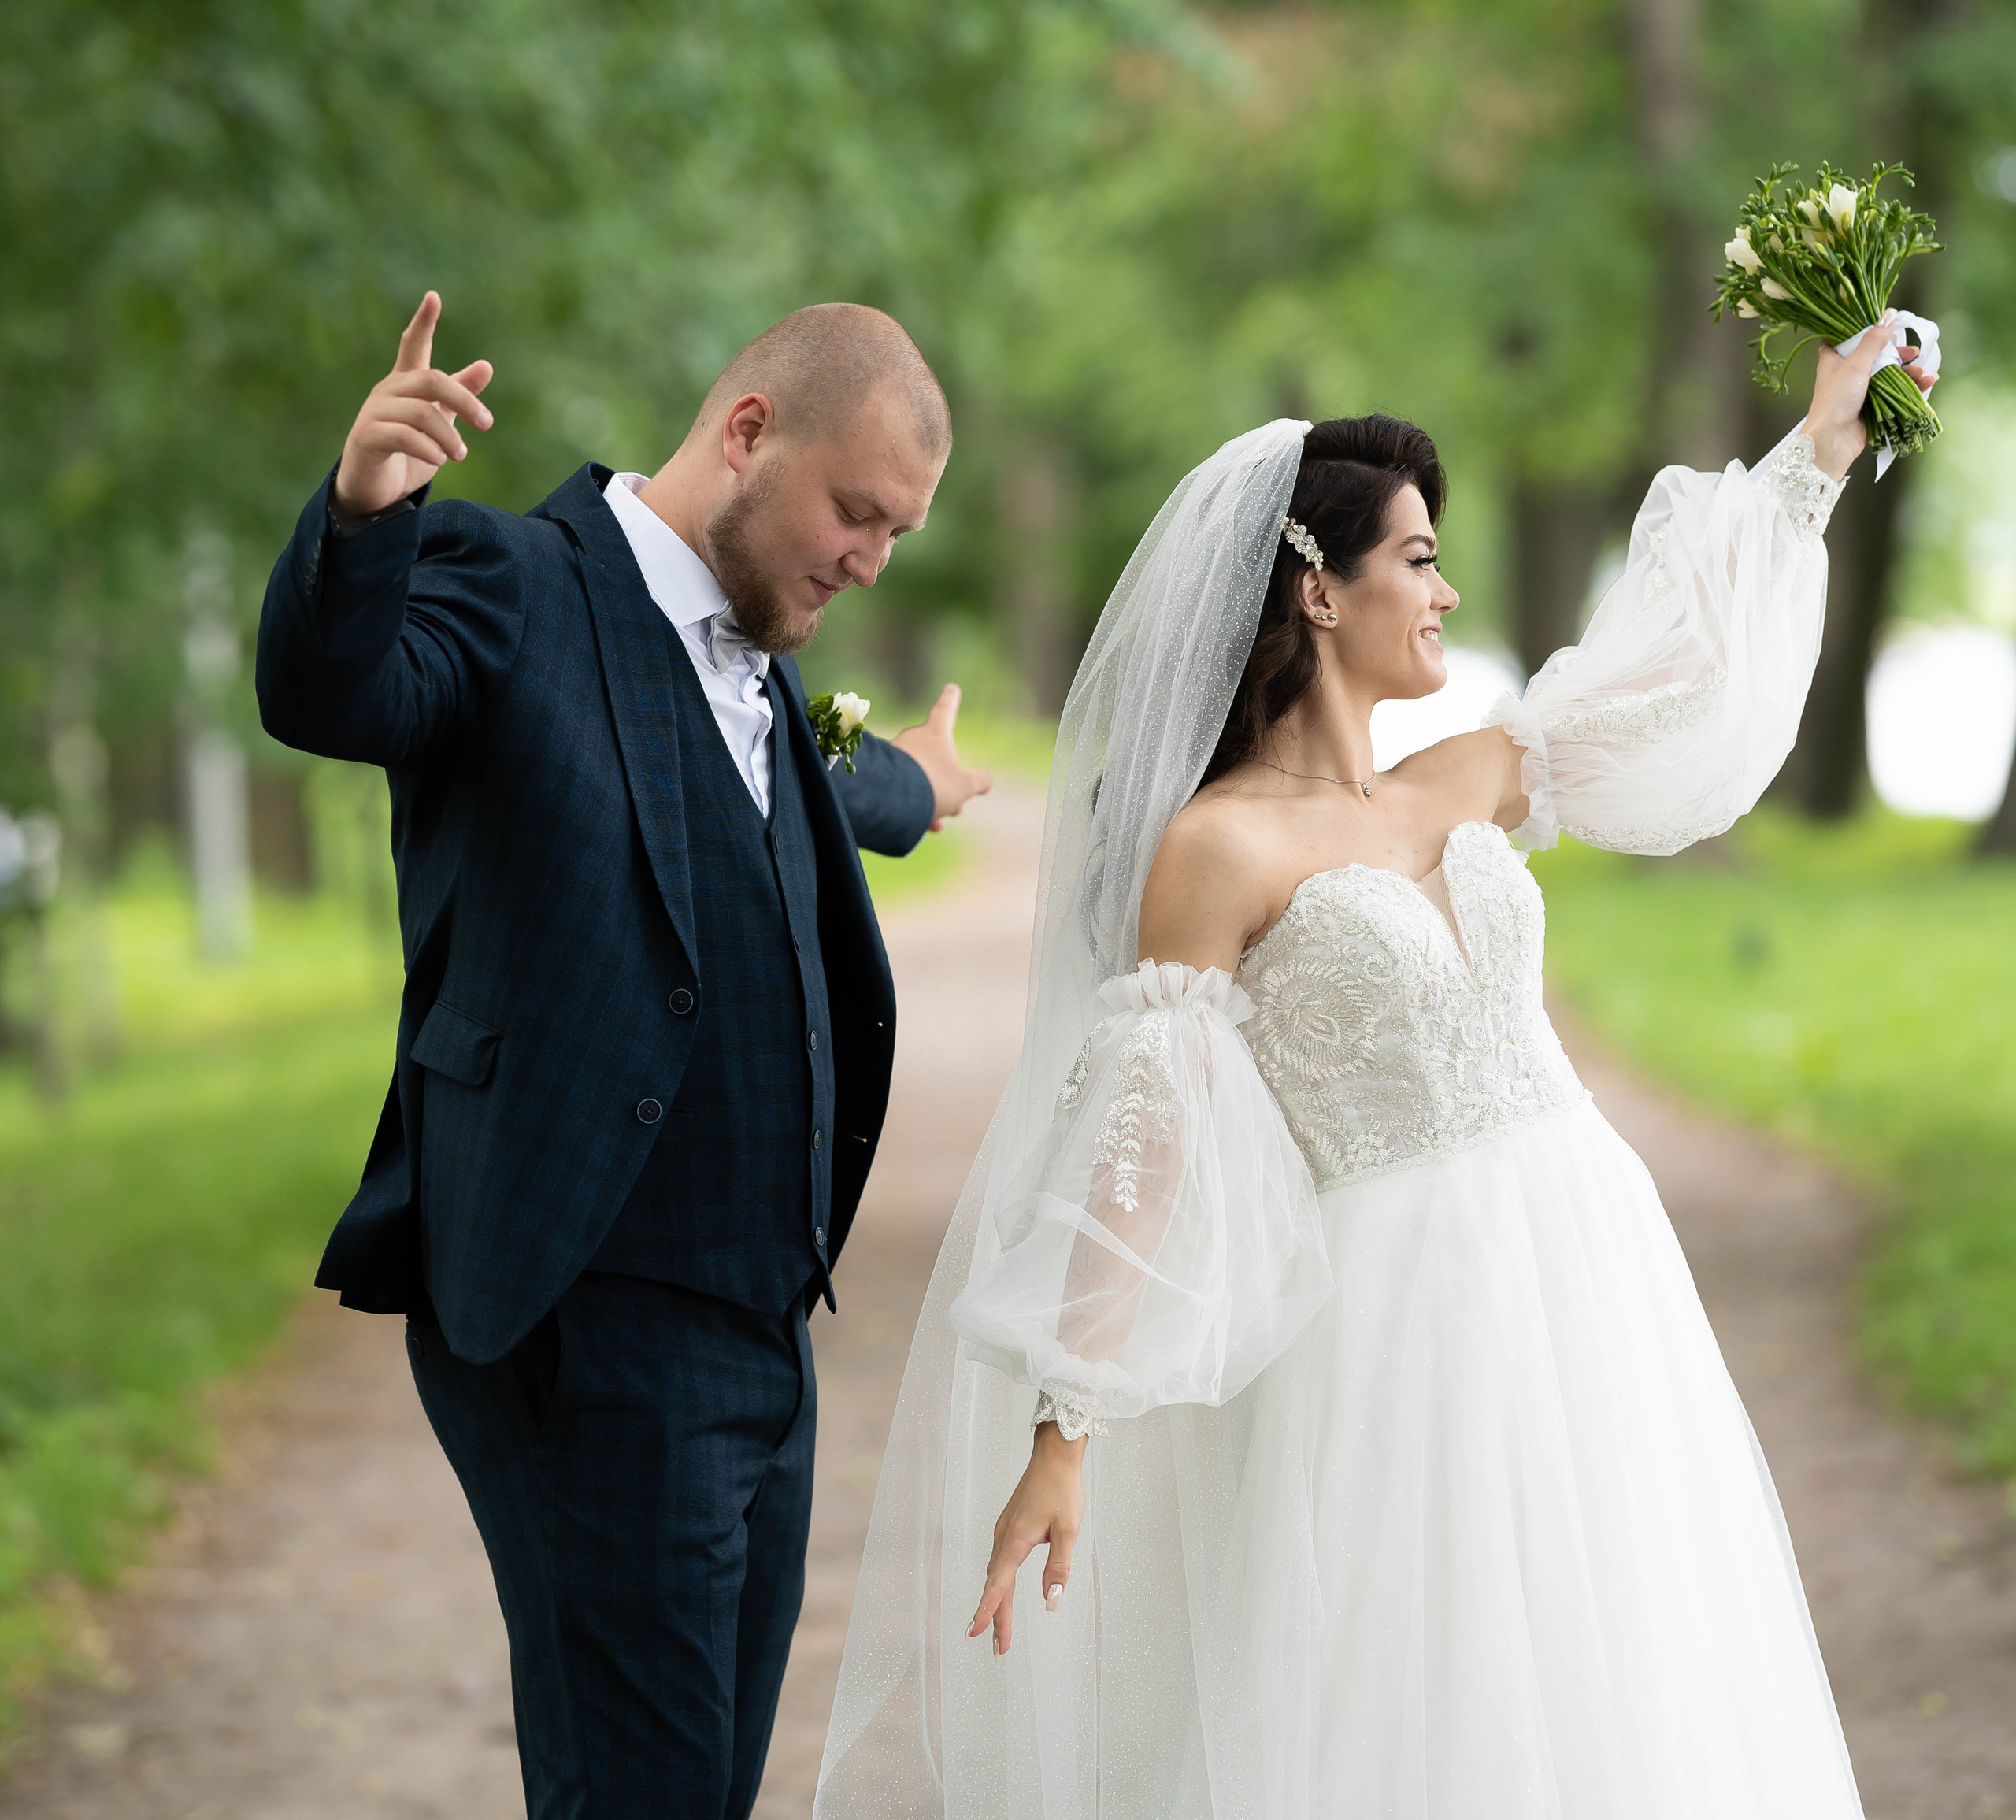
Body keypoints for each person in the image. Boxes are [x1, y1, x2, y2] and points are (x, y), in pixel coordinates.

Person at [813, 316, 1936, 1819]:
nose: (1448, 591)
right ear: (1317, 589)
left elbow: (1683, 680)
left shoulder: (1473, 773)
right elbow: (1148, 1152)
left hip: (1591, 1278)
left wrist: (1820, 452)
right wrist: (1063, 1433)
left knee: (1633, 1663)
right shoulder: (1215, 851)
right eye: (1418, 558)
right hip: (1397, 1328)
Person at [255, 292, 991, 1820]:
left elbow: (812, 772)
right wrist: (359, 515)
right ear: (744, 433)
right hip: (588, 1320)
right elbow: (336, 689)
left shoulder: (768, 660)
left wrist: (918, 778)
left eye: (898, 532)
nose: (871, 559)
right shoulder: (510, 582)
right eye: (856, 512)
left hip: (759, 1340)